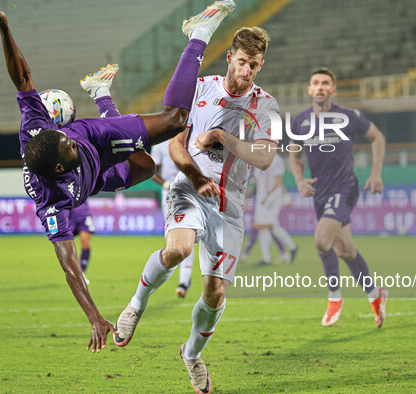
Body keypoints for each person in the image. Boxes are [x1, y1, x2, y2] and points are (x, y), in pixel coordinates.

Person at [0, 0, 229, 352]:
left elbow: (21, 75)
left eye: (63, 135)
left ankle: (199, 33)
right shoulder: (52, 203)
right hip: (98, 178)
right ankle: (101, 92)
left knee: (176, 120)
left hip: (99, 135)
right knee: (147, 166)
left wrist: (3, 28)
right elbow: (69, 266)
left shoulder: (37, 128)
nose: (68, 140)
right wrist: (94, 316)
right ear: (58, 168)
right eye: (67, 147)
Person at [114, 21, 279, 393]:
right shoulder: (200, 89)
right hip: (189, 186)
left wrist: (222, 137)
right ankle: (136, 305)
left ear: (260, 66)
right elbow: (175, 146)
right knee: (178, 249)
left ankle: (191, 355)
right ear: (229, 57)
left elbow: (265, 158)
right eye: (241, 62)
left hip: (230, 205)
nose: (246, 71)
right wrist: (196, 173)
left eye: (254, 65)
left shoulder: (266, 106)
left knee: (215, 292)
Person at [289, 67, 388, 328]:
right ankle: (375, 294)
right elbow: (294, 156)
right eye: (315, 83)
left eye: (325, 83)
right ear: (310, 90)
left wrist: (376, 173)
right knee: (346, 251)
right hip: (320, 194)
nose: (320, 87)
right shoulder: (299, 122)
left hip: (345, 188)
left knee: (322, 241)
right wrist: (299, 181)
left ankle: (334, 297)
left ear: (333, 90)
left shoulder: (349, 116)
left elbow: (377, 137)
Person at [151, 140, 195, 298]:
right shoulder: (161, 143)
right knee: (172, 237)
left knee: (189, 233)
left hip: (191, 191)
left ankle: (184, 280)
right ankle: (167, 276)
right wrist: (165, 183)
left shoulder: (192, 138)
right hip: (169, 193)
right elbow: (151, 170)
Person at [247, 154, 298, 265]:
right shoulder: (258, 159)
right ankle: (269, 257)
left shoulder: (277, 160)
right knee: (266, 226)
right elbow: (255, 180)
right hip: (261, 198)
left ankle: (289, 247)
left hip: (272, 198)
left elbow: (279, 182)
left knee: (265, 225)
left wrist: (272, 196)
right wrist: (247, 195)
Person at [70, 201, 95, 284]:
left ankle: (81, 273)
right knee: (65, 244)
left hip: (83, 211)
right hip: (67, 211)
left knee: (85, 242)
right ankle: (71, 273)